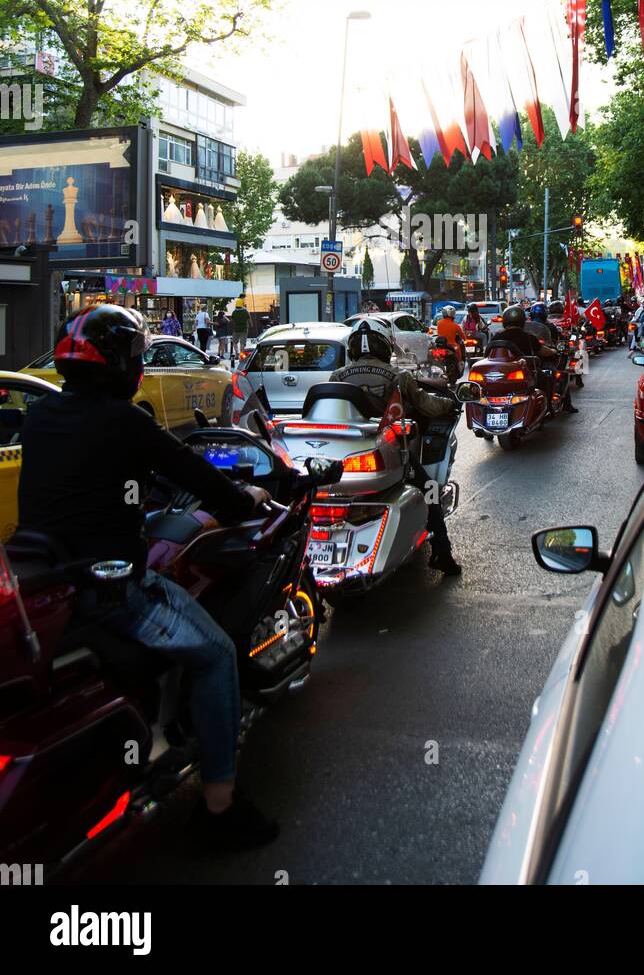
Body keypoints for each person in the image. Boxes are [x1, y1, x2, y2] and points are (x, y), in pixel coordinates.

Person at [17, 305, 279, 848]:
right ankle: (219, 807)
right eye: (136, 357)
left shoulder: (41, 417)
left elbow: (90, 483)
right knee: (216, 655)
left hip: (49, 579)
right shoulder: (124, 420)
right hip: (112, 590)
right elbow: (198, 478)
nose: (139, 366)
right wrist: (248, 495)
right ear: (119, 364)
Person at [329, 321, 462, 575]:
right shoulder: (399, 376)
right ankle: (441, 552)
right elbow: (426, 406)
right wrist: (448, 404)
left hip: (344, 457)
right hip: (385, 454)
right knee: (430, 490)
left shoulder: (337, 376)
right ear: (383, 346)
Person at [230, 300, 250, 365]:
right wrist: (251, 324)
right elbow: (249, 318)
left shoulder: (234, 312)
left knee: (234, 342)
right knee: (242, 343)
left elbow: (232, 320)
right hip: (244, 329)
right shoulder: (245, 311)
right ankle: (242, 357)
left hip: (236, 329)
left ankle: (236, 352)